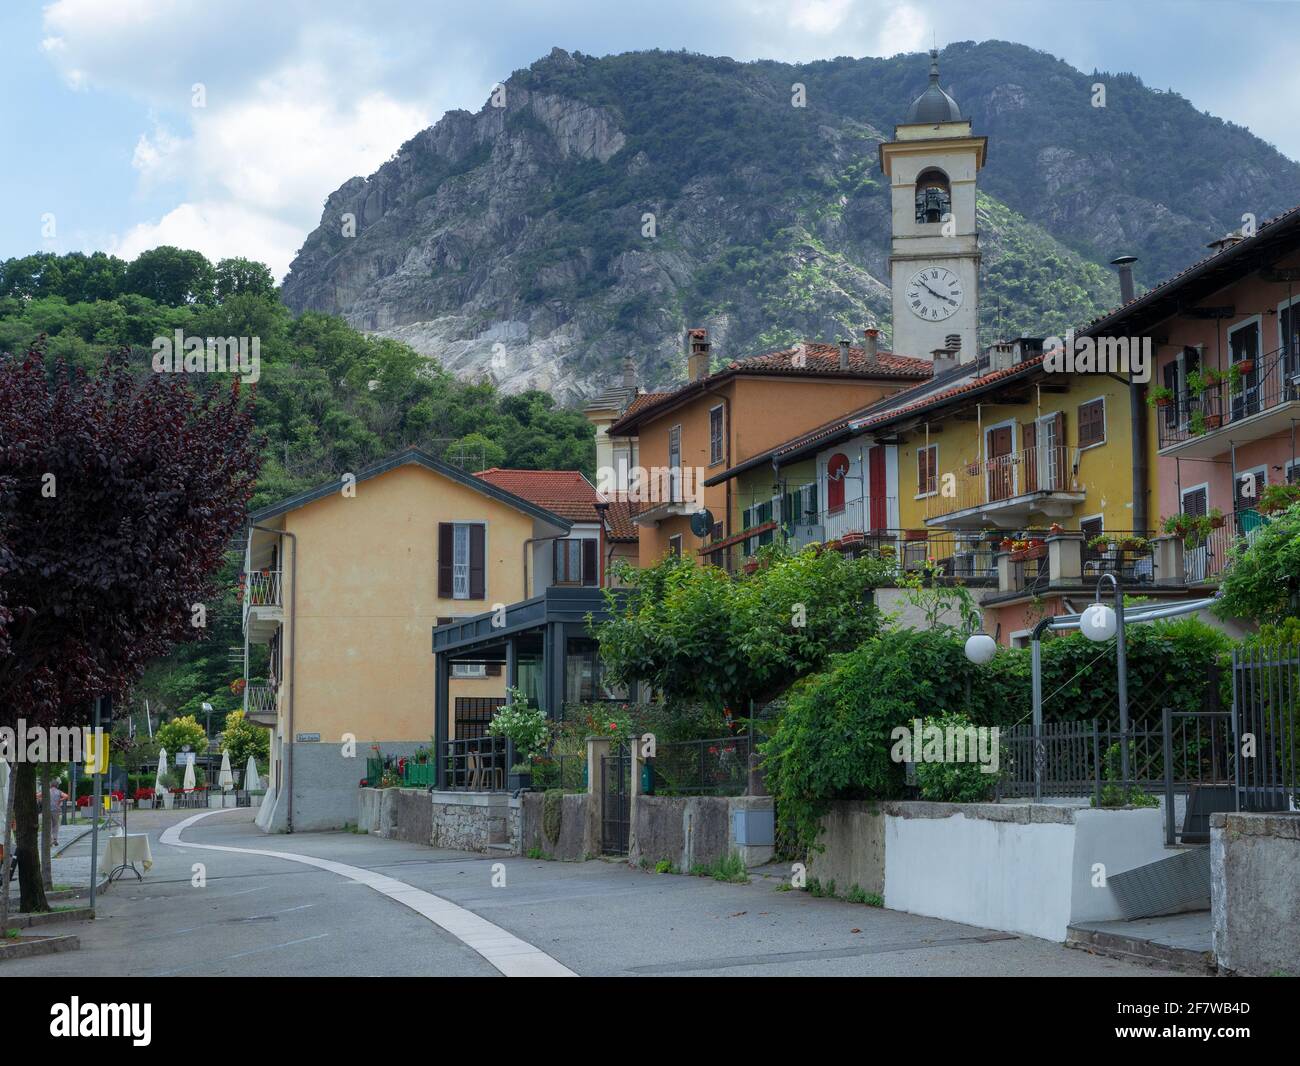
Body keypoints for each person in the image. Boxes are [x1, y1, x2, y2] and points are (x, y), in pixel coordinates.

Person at [47, 779, 66, 847]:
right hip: (56, 810)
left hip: (48, 810)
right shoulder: (59, 791)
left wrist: (43, 800)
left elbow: (37, 795)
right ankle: (55, 839)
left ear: (50, 785)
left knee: (49, 825)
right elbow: (66, 796)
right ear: (57, 785)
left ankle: (50, 841)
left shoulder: (47, 791)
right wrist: (59, 800)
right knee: (55, 825)